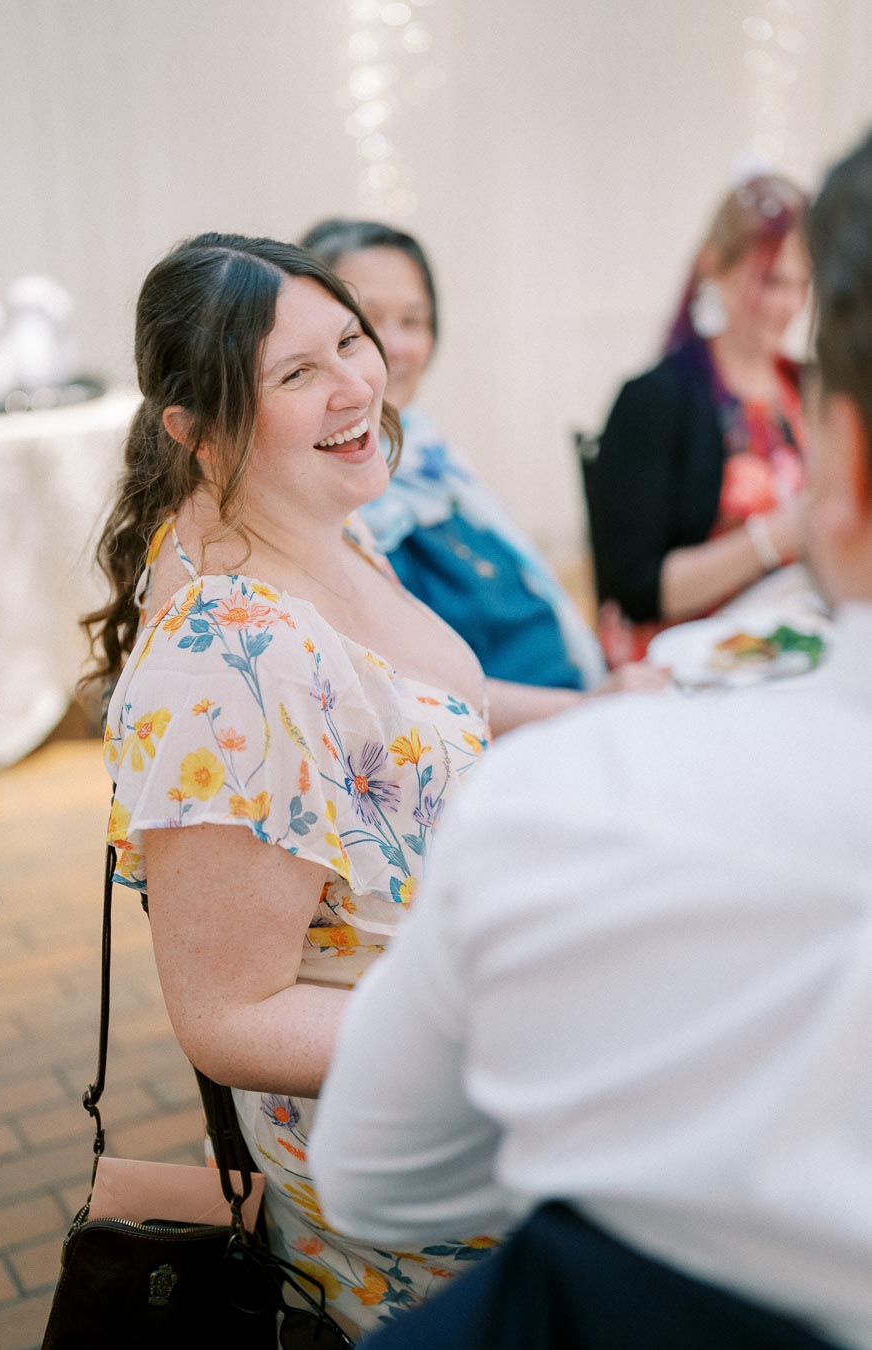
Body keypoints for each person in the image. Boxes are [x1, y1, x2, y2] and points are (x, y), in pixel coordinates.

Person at [311, 132, 872, 1349]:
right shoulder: (659, 404)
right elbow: (615, 592)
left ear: (848, 462)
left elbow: (382, 1177)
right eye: (355, 334)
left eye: (399, 326)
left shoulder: (579, 819)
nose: (381, 360)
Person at [82, 232, 533, 1340]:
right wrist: (512, 1028)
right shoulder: (223, 660)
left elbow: (423, 707)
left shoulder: (313, 517)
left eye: (350, 340)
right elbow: (227, 1016)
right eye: (296, 374)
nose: (357, 385)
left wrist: (621, 708)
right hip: (414, 1162)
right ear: (195, 430)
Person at [300, 217, 665, 702]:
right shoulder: (328, 492)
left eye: (414, 321)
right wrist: (585, 707)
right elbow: (406, 698)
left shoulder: (428, 453)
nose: (399, 347)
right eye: (365, 324)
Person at [587, 174, 812, 664]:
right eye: (772, 281)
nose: (789, 305)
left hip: (793, 638)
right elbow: (635, 589)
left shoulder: (807, 388)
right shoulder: (655, 401)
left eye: (802, 284)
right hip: (687, 660)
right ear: (715, 266)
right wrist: (779, 535)